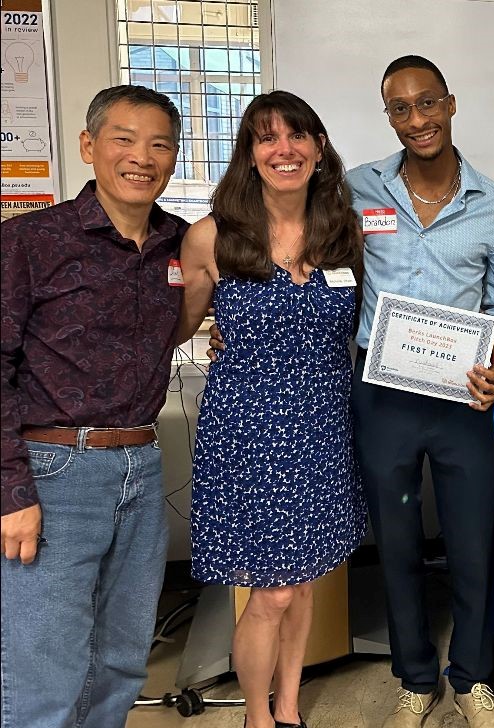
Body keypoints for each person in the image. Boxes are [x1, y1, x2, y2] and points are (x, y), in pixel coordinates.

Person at [176, 90, 365, 728]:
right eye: (266, 138)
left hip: (322, 426)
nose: (283, 149)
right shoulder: (212, 237)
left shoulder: (345, 233)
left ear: (318, 148)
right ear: (249, 154)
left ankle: (289, 708)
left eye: (297, 136)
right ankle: (259, 717)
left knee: (304, 579)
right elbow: (176, 327)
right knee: (271, 591)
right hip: (248, 433)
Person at [0, 85, 186, 728]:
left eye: (159, 143)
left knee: (121, 660)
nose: (142, 157)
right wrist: (11, 492)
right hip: (52, 471)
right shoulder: (29, 240)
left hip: (139, 466)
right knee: (43, 667)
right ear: (89, 146)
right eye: (123, 139)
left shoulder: (179, 247)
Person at [347, 56, 494, 728]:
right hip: (382, 392)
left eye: (427, 103)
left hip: (462, 396)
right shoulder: (357, 188)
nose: (416, 119)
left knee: (470, 541)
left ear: (450, 104)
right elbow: (321, 263)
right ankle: (416, 679)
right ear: (388, 115)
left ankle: (471, 677)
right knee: (395, 542)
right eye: (400, 107)